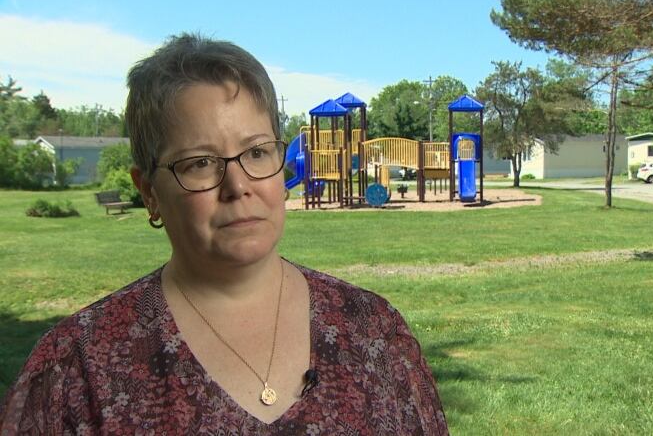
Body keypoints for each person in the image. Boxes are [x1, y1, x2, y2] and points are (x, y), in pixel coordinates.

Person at [0, 33, 448, 435]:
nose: (238, 187)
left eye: (256, 152)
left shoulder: (373, 332)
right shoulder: (78, 368)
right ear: (149, 193)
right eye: (199, 163)